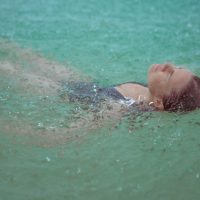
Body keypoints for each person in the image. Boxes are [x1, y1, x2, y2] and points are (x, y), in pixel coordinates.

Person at [115, 63, 200, 112]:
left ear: (158, 102)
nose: (168, 65)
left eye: (169, 75)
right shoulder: (147, 89)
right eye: (178, 68)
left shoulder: (118, 107)